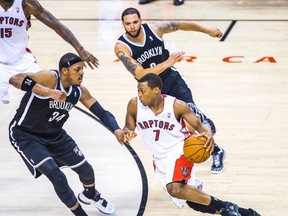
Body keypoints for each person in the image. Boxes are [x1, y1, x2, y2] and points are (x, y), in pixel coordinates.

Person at [8, 52, 135, 216]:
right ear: (64, 71)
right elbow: (15, 79)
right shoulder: (50, 78)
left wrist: (116, 130)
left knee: (86, 170)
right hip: (26, 135)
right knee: (56, 175)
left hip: (55, 135)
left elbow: (102, 113)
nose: (82, 72)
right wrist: (47, 92)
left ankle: (91, 195)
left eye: (83, 69)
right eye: (78, 69)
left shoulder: (78, 91)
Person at [122, 73, 261, 216]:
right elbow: (128, 127)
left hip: (180, 150)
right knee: (195, 202)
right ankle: (245, 213)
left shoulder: (176, 106)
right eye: (138, 91)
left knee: (175, 188)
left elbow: (201, 126)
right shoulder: (134, 105)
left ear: (156, 90)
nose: (139, 94)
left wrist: (208, 135)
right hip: (159, 158)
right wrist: (126, 133)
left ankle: (227, 209)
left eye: (142, 91)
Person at [115, 7, 225, 174]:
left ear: (141, 21)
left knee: (191, 121)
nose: (132, 26)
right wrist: (168, 62)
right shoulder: (122, 47)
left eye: (135, 22)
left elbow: (180, 24)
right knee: (177, 126)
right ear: (123, 24)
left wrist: (207, 30)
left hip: (172, 80)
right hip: (151, 91)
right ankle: (212, 143)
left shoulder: (154, 29)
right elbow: (140, 73)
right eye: (128, 23)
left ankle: (215, 150)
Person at [0, 0, 99, 104]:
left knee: (47, 90)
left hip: (22, 60)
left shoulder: (27, 4)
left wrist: (80, 49)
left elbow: (57, 26)